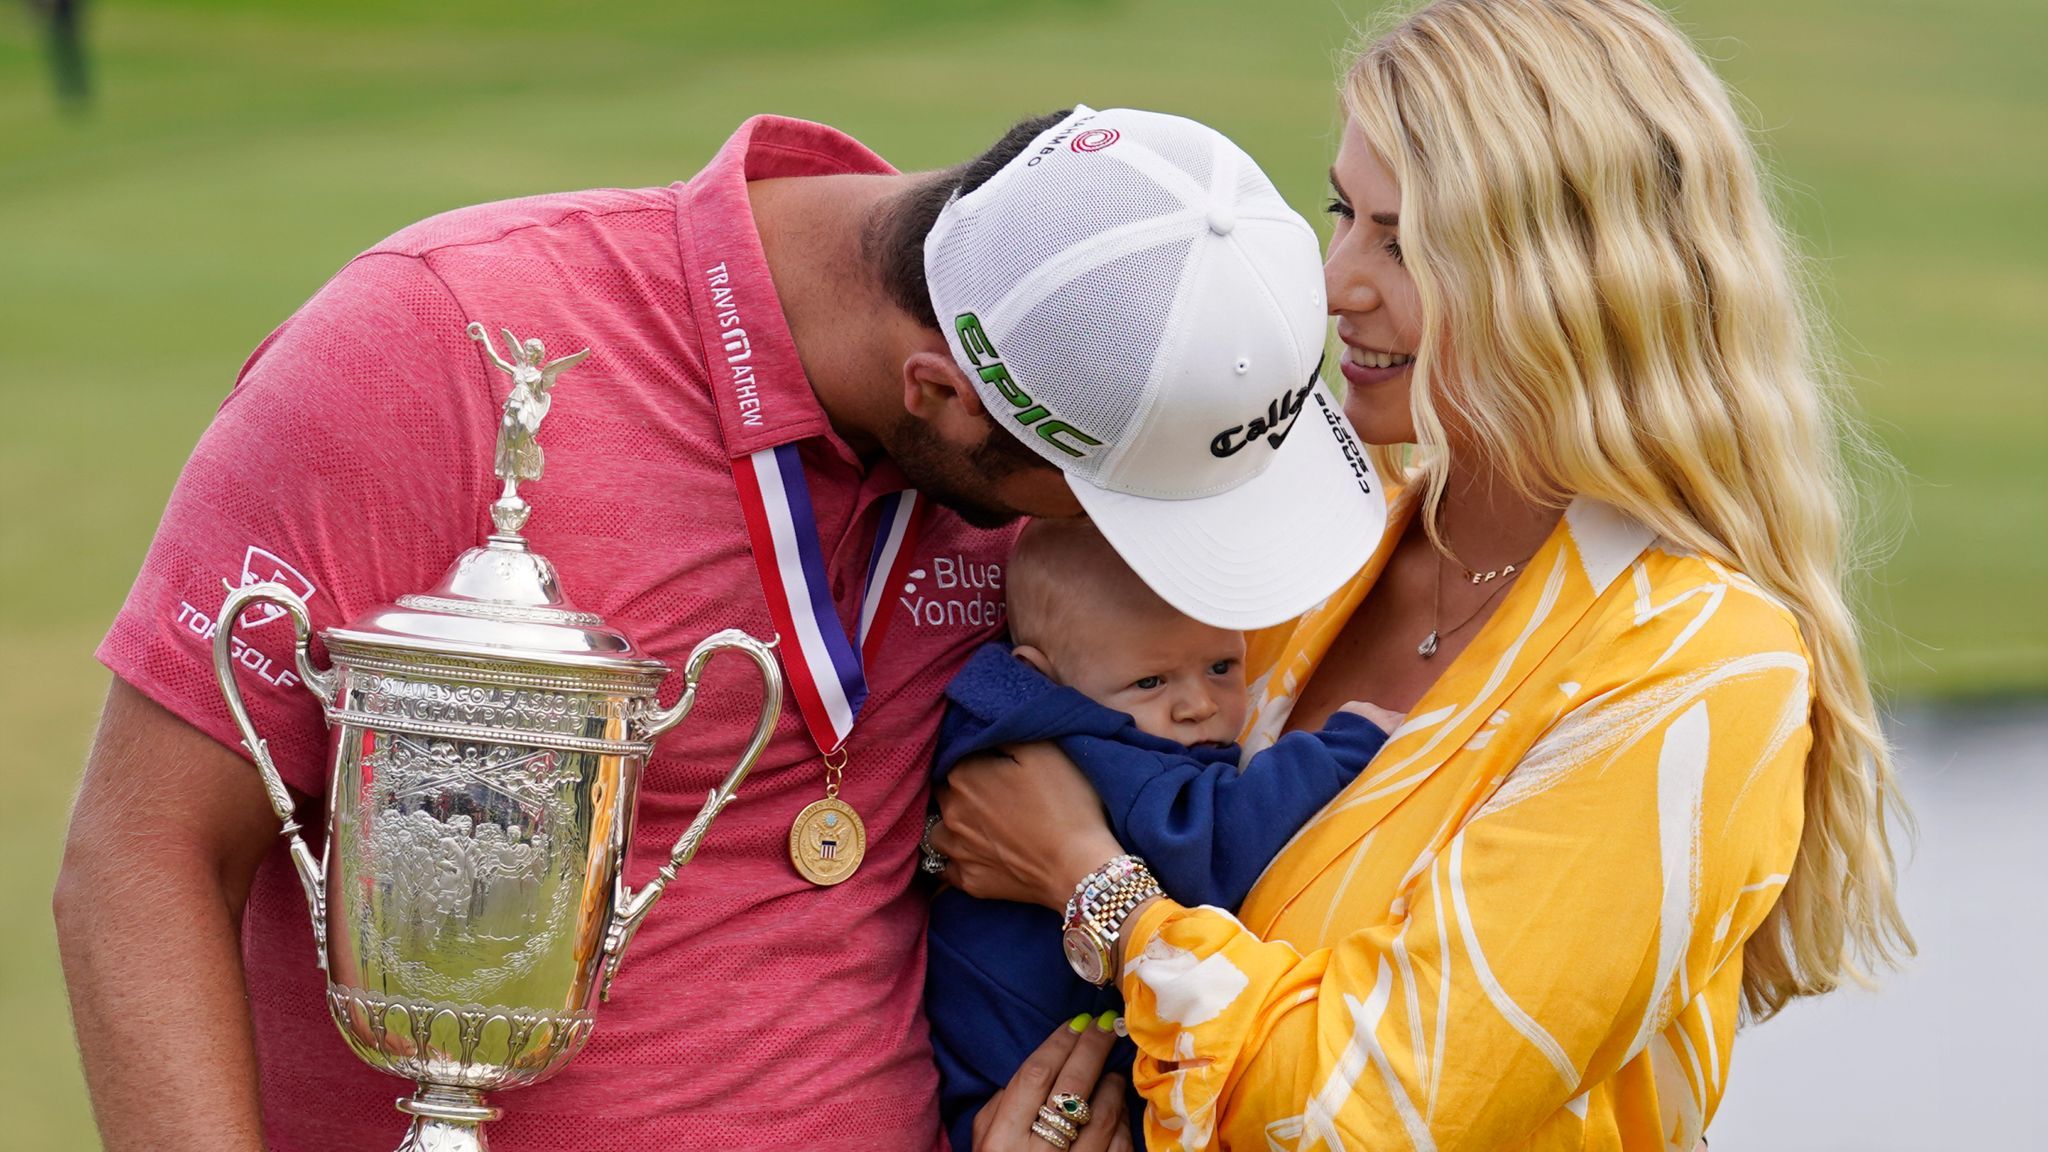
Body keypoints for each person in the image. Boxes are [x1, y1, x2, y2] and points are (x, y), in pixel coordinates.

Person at [53, 105, 1384, 1151]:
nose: (1126, 555)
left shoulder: (1052, 380)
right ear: (941, 396)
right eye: (1112, 511)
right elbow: (145, 854)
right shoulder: (441, 344)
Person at [929, 2, 1913, 1148]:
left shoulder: (1696, 671)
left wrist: (1087, 883)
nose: (1334, 280)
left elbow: (1353, 1114)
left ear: (1576, 283)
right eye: (1343, 213)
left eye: (1404, 243)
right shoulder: (1306, 553)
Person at [924, 520, 1397, 1150]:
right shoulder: (1104, 751)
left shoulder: (1055, 719)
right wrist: (1343, 748)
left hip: (994, 1046)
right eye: (1151, 682)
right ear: (1044, 673)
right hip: (1029, 1041)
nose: (1198, 704)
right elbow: (1205, 845)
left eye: (1222, 665)